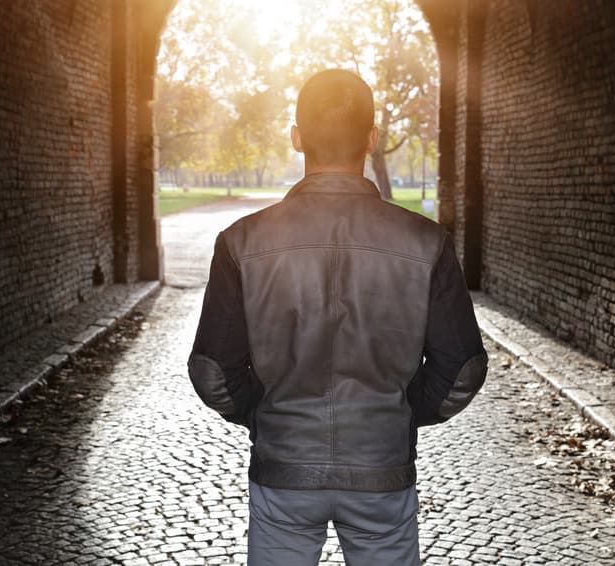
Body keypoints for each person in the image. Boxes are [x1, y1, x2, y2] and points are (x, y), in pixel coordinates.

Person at [188, 69, 487, 566]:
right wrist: (405, 411)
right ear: (371, 140)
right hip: (381, 468)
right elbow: (463, 368)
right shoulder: (425, 241)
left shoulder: (241, 242)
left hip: (283, 467)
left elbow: (212, 371)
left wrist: (262, 412)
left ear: (297, 138)